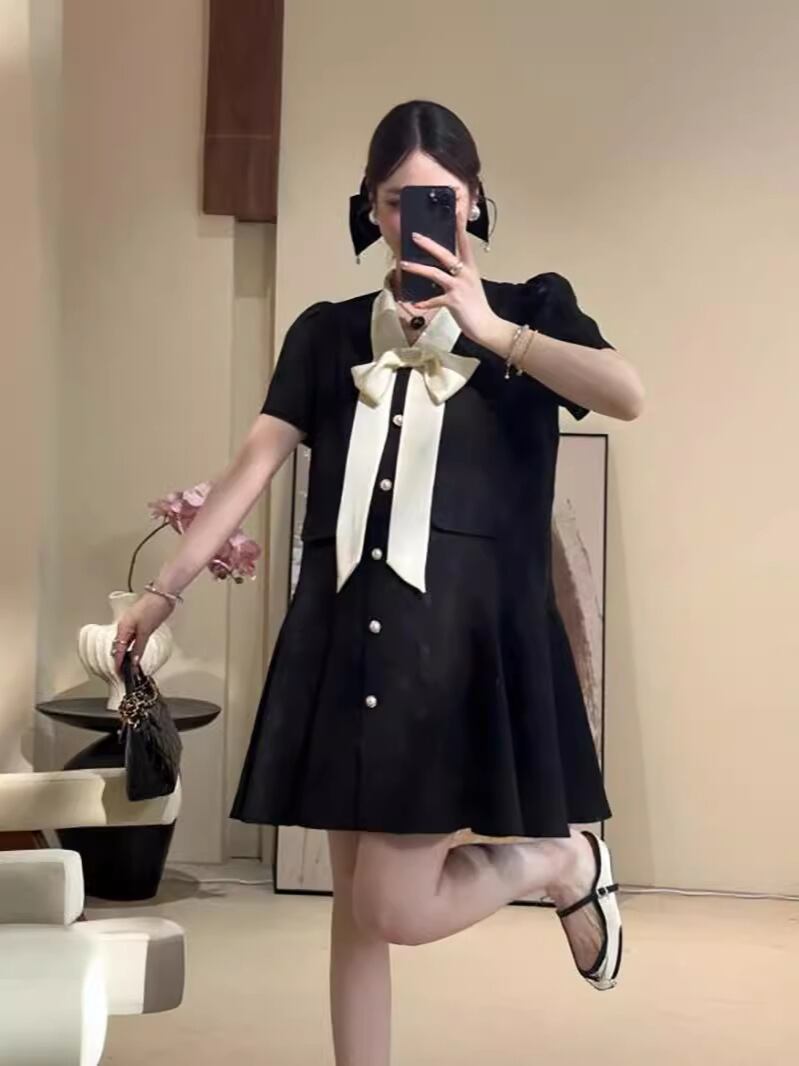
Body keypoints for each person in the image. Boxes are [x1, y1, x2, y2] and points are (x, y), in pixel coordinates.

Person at [113, 100, 644, 1066]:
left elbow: (626, 394)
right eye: (396, 200)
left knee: (394, 907)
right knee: (357, 912)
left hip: (457, 648)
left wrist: (493, 330)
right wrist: (164, 590)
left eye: (438, 197)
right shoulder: (324, 334)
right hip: (342, 630)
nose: (415, 217)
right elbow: (251, 467)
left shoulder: (531, 307)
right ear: (370, 206)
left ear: (473, 201)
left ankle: (562, 857)